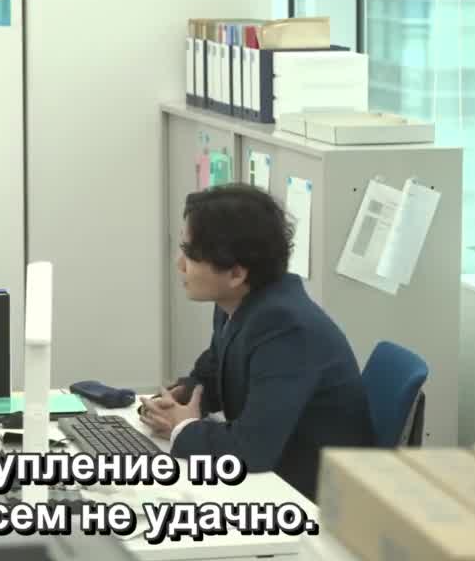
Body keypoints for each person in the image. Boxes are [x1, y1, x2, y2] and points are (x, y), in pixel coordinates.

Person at [138, 183, 374, 500]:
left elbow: (249, 451)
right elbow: (212, 374)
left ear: (236, 274)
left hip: (313, 499)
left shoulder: (286, 327)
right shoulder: (236, 304)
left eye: (191, 254)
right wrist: (179, 400)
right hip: (277, 478)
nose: (180, 264)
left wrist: (184, 429)